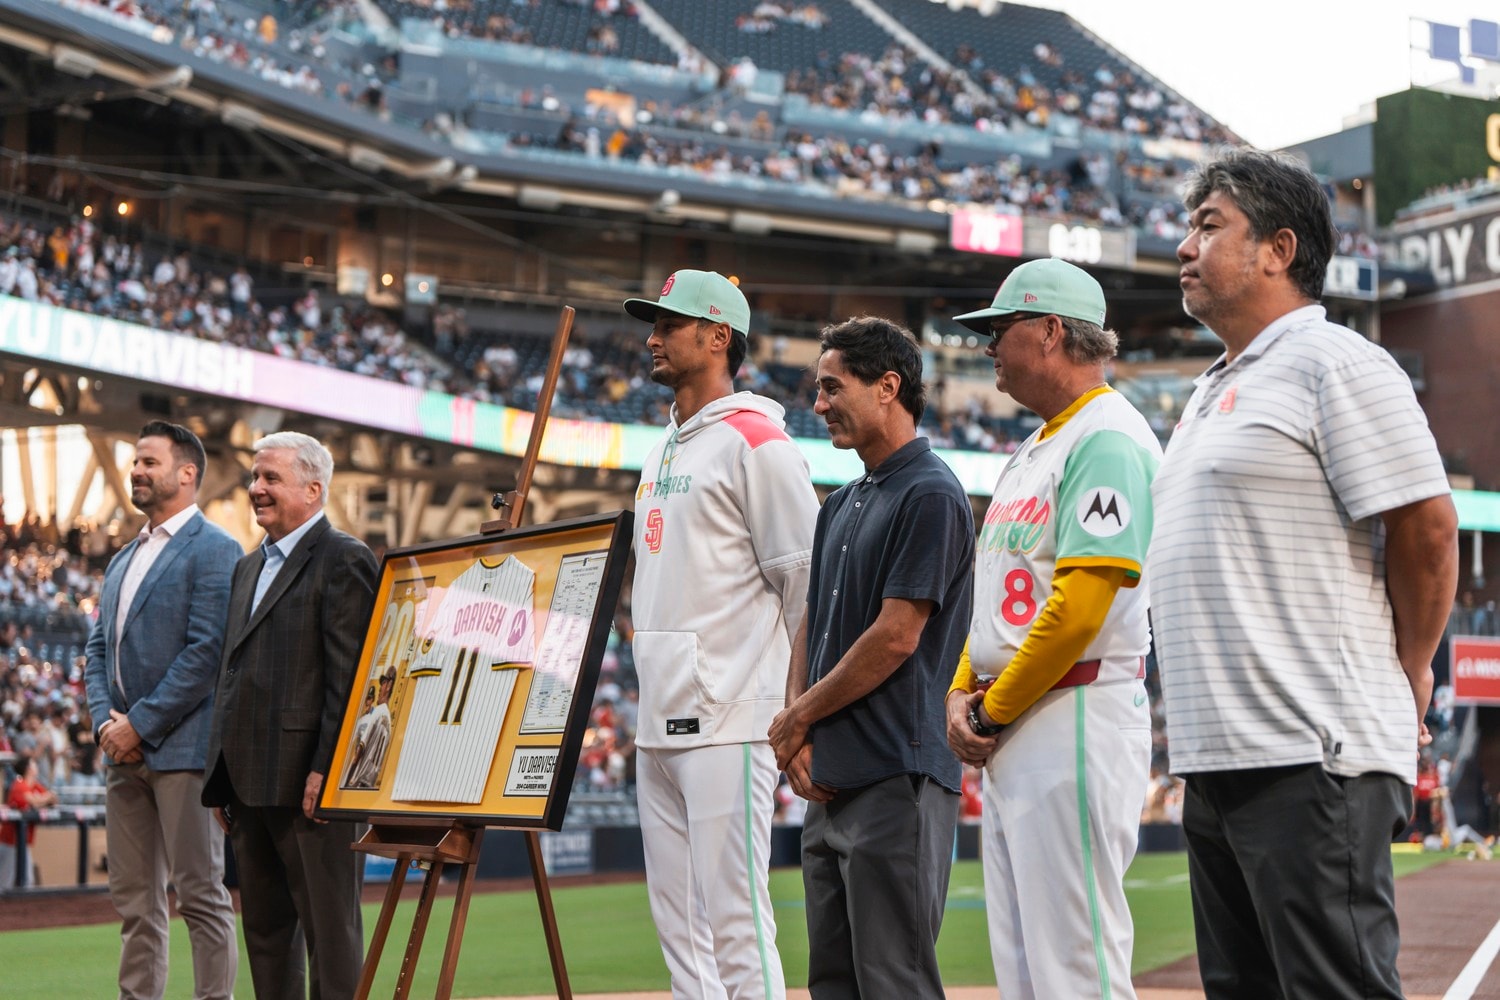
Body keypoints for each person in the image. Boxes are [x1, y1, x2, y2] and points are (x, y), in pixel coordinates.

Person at [1149, 148, 1459, 1000]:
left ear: (1278, 249)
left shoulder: (1337, 362)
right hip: (1219, 758)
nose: (1185, 246)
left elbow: (1428, 529)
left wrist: (1413, 665)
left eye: (1209, 226)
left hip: (1310, 752)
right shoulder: (1213, 389)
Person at [944, 258, 1160, 1000]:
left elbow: (1079, 609)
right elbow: (994, 602)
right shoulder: (1033, 450)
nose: (989, 348)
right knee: (1027, 975)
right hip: (1018, 720)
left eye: (1000, 332)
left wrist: (989, 708)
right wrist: (960, 688)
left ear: (1050, 331)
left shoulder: (1107, 437)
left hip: (1075, 711)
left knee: (1076, 969)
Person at [621, 268, 818, 999]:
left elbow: (807, 588)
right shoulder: (663, 446)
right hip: (656, 723)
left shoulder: (758, 440)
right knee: (680, 936)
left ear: (716, 336)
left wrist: (799, 713)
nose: (653, 337)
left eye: (669, 324)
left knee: (736, 925)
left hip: (733, 717)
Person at [769, 316, 974, 998]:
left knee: (894, 982)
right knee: (833, 981)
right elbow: (811, 619)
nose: (819, 403)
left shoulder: (933, 492)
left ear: (887, 387)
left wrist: (798, 718)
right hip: (831, 777)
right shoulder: (841, 502)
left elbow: (896, 637)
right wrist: (799, 722)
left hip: (899, 776)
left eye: (833, 387)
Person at [202, 431, 378, 1000]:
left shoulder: (345, 557)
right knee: (267, 938)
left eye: (270, 478)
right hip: (249, 785)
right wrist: (220, 773)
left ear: (313, 488)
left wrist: (327, 770)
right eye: (255, 477)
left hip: (312, 788)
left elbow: (351, 680)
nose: (255, 489)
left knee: (332, 939)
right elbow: (231, 676)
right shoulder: (247, 569)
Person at [83, 420, 242, 1000]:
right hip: (122, 751)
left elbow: (206, 653)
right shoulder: (123, 558)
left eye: (149, 461)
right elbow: (97, 648)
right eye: (135, 462)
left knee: (200, 896)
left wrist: (138, 724)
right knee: (135, 905)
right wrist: (106, 723)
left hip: (182, 750)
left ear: (186, 473)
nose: (137, 471)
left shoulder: (218, 549)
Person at [0, 754, 56, 890]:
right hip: (10, 842)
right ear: (28, 768)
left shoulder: (35, 786)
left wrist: (43, 799)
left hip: (22, 841)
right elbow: (32, 800)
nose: (36, 766)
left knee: (27, 880)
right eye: (33, 764)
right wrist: (44, 799)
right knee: (5, 882)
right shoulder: (19, 784)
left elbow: (54, 799)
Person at [344, 667, 394, 789]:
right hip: (370, 782)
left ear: (388, 686)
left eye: (383, 684)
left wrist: (347, 779)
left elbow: (362, 744)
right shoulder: (388, 720)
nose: (379, 689)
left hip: (359, 779)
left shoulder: (377, 712)